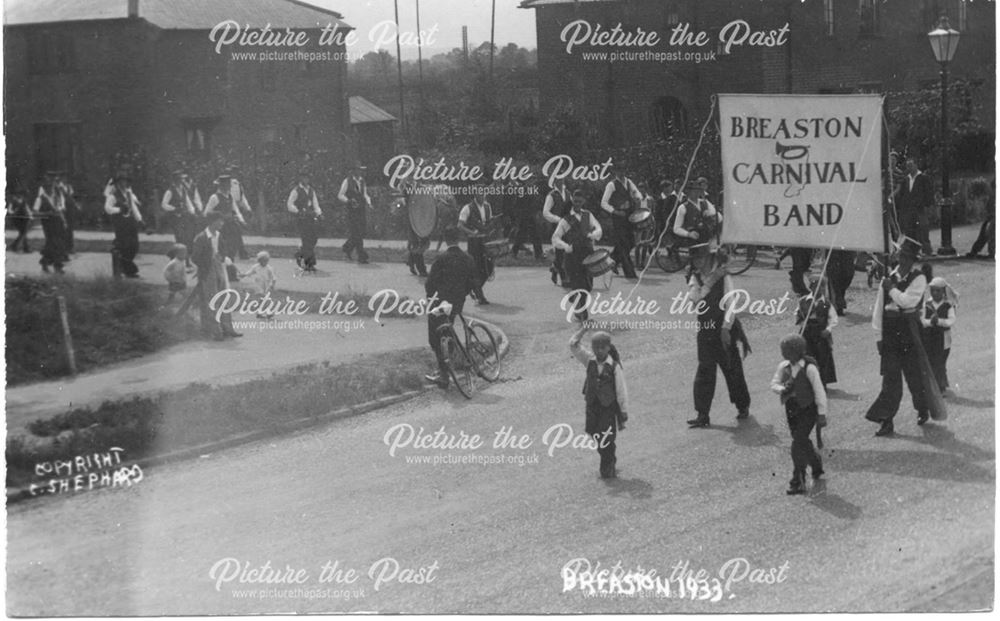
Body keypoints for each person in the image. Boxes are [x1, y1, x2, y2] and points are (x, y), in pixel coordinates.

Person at [865, 236, 930, 436]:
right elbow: (878, 311)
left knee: (914, 375)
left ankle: (922, 408)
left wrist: (890, 289)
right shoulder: (889, 278)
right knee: (890, 379)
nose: (903, 260)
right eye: (902, 255)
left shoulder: (918, 278)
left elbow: (908, 302)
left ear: (914, 260)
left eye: (908, 257)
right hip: (891, 333)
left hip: (910, 332)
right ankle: (886, 420)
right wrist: (879, 337)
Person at [685, 244, 751, 427]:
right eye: (695, 259)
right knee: (705, 369)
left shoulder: (723, 275)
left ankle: (742, 405)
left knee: (731, 368)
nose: (697, 262)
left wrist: (725, 328)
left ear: (709, 258)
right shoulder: (695, 276)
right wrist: (698, 288)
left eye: (700, 258)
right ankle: (702, 414)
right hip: (705, 328)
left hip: (723, 327)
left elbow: (731, 303)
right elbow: (695, 302)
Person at [769, 334, 827, 495]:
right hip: (791, 408)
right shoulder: (784, 367)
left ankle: (797, 479)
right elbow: (774, 383)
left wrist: (822, 413)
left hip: (808, 409)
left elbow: (819, 391)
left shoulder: (809, 368)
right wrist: (782, 389)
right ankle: (816, 464)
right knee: (800, 440)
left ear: (798, 351)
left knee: (797, 442)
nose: (786, 355)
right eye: (784, 351)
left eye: (788, 351)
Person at [424, 227, 480, 389]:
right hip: (458, 303)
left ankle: (444, 374)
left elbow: (430, 283)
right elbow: (473, 281)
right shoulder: (467, 258)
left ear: (446, 240)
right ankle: (450, 359)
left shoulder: (442, 259)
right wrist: (466, 292)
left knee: (435, 335)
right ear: (458, 239)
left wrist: (431, 297)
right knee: (447, 330)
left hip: (442, 303)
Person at [570, 325, 629, 479]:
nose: (599, 351)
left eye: (603, 347)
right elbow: (573, 344)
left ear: (609, 348)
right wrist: (583, 329)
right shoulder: (589, 360)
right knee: (594, 434)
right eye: (596, 347)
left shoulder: (614, 367)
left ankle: (607, 466)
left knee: (607, 438)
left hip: (608, 408)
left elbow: (621, 390)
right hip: (592, 406)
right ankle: (610, 457)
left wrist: (623, 410)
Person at [552, 189, 603, 322]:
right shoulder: (566, 220)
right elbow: (555, 238)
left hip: (588, 255)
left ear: (584, 201)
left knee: (588, 286)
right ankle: (583, 314)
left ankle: (575, 301)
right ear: (572, 201)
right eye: (575, 201)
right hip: (572, 257)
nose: (577, 204)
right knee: (578, 284)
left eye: (580, 201)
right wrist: (565, 246)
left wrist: (594, 234)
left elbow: (599, 228)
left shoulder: (588, 215)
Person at [192, 211, 241, 340]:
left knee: (225, 296)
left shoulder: (219, 235)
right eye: (219, 221)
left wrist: (222, 256)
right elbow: (195, 257)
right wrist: (209, 260)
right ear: (212, 222)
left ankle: (228, 328)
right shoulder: (201, 237)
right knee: (212, 299)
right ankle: (215, 330)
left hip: (219, 267)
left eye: (222, 221)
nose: (222, 223)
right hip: (208, 270)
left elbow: (223, 250)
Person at [795, 274, 838, 386]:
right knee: (808, 355)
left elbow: (833, 318)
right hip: (807, 331)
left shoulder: (826, 303)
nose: (821, 289)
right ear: (811, 287)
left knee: (822, 357)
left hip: (821, 332)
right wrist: (802, 322)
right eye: (817, 287)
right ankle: (808, 381)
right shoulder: (803, 301)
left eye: (823, 287)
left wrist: (828, 330)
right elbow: (798, 315)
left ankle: (822, 381)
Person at [203, 174, 246, 280]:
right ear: (221, 185)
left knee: (232, 249)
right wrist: (220, 215)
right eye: (226, 185)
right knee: (222, 250)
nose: (228, 187)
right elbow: (206, 212)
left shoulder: (230, 196)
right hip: (221, 227)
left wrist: (241, 220)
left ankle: (231, 274)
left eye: (229, 185)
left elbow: (235, 209)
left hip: (231, 226)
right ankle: (222, 274)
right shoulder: (215, 197)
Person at [600, 165, 640, 279]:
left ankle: (612, 261)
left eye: (623, 170)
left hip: (629, 216)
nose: (621, 172)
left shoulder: (629, 182)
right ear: (615, 172)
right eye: (619, 170)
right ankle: (630, 273)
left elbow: (637, 194)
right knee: (623, 244)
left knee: (631, 242)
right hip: (618, 217)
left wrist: (637, 198)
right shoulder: (611, 184)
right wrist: (615, 211)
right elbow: (603, 203)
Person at [458, 184, 494, 305]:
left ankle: (474, 288)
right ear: (475, 195)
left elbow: (490, 222)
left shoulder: (488, 206)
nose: (482, 196)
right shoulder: (467, 208)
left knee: (488, 267)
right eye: (480, 194)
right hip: (474, 242)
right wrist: (471, 232)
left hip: (486, 241)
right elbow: (460, 225)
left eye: (483, 194)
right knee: (477, 268)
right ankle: (480, 295)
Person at [920, 276, 957, 394]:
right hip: (930, 338)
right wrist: (930, 322)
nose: (935, 293)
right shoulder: (927, 304)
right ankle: (934, 385)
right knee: (931, 361)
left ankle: (941, 386)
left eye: (938, 290)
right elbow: (922, 320)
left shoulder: (948, 305)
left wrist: (940, 321)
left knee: (940, 362)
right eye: (932, 290)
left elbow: (952, 320)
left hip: (943, 339)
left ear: (943, 291)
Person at [104, 173, 144, 278]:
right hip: (120, 223)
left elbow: (134, 207)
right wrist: (119, 210)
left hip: (130, 222)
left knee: (134, 245)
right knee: (125, 245)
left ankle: (124, 265)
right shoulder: (113, 196)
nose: (123, 184)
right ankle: (128, 270)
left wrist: (139, 219)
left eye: (124, 181)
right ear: (116, 184)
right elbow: (108, 209)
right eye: (120, 182)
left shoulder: (129, 194)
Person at [286, 169, 323, 273]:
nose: (305, 179)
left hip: (310, 217)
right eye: (303, 177)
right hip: (302, 218)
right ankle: (309, 263)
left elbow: (315, 203)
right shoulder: (296, 190)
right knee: (306, 239)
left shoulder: (311, 190)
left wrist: (319, 213)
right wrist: (297, 211)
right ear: (300, 178)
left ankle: (300, 254)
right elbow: (289, 204)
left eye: (307, 177)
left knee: (313, 239)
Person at [896, 158, 934, 256]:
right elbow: (903, 194)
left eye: (911, 165)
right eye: (908, 165)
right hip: (909, 208)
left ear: (916, 165)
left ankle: (927, 250)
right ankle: (913, 251)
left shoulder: (923, 178)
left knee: (923, 229)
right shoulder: (906, 179)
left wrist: (926, 204)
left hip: (919, 208)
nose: (909, 167)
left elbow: (928, 193)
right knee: (910, 230)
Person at [34, 171, 69, 274]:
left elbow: (63, 207)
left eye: (53, 182)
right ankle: (58, 266)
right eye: (49, 185)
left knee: (56, 243)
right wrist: (47, 213)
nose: (51, 186)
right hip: (48, 222)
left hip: (58, 220)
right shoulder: (41, 198)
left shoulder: (59, 194)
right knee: (54, 242)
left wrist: (60, 211)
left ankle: (45, 262)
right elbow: (35, 212)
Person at [672, 177, 722, 250]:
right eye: (693, 191)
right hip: (692, 239)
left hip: (707, 236)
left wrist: (711, 215)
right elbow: (676, 228)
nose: (696, 193)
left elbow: (719, 218)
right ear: (688, 192)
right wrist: (688, 234)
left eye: (698, 190)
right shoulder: (683, 207)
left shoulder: (705, 203)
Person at [161, 170, 200, 262]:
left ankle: (182, 259)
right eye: (178, 179)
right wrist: (173, 208)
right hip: (175, 218)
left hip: (184, 217)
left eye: (181, 179)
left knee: (186, 238)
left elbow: (188, 202)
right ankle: (180, 259)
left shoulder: (183, 189)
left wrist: (192, 212)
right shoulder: (170, 191)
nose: (180, 181)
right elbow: (164, 204)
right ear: (174, 180)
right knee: (180, 238)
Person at [338, 162, 371, 264]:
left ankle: (347, 248)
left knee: (360, 232)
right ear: (353, 171)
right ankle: (362, 256)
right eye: (357, 170)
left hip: (361, 209)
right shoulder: (347, 181)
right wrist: (348, 200)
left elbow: (365, 194)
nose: (359, 172)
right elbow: (340, 195)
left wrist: (369, 202)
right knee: (356, 232)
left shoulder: (362, 181)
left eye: (360, 170)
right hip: (352, 210)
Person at [542, 178, 572, 287]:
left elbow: (572, 208)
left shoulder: (568, 193)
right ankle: (564, 278)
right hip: (557, 226)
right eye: (558, 179)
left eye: (562, 179)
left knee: (567, 250)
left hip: (568, 226)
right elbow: (545, 212)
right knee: (559, 251)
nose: (560, 181)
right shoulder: (551, 195)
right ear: (554, 181)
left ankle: (555, 268)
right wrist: (558, 219)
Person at [510, 181, 544, 260]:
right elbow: (518, 204)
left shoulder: (533, 190)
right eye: (531, 179)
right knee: (522, 235)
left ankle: (538, 254)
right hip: (525, 216)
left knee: (535, 235)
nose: (532, 181)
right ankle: (514, 252)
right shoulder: (523, 190)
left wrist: (537, 212)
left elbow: (537, 203)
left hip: (531, 216)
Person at [241, 250, 278, 320]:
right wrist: (244, 275)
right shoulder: (256, 267)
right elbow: (250, 272)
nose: (264, 263)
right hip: (258, 285)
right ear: (259, 261)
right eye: (262, 261)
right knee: (264, 299)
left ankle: (260, 313)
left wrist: (272, 284)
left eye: (266, 261)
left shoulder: (269, 268)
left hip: (266, 285)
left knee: (263, 300)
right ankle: (268, 313)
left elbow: (273, 277)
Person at [227, 165, 253, 259]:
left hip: (237, 208)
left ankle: (241, 252)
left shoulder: (238, 184)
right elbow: (231, 199)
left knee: (237, 232)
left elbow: (242, 198)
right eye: (233, 172)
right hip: (230, 209)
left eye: (236, 172)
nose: (235, 174)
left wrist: (247, 208)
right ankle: (241, 252)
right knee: (236, 231)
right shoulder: (228, 184)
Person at [966, 178, 995, 259]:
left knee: (991, 232)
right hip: (992, 216)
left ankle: (992, 253)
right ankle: (975, 251)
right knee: (985, 232)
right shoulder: (992, 196)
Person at [825, 249, 857, 315]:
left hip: (845, 268)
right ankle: (837, 308)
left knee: (841, 289)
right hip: (834, 267)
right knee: (836, 289)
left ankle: (839, 307)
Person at [54, 171, 79, 254]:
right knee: (62, 227)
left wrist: (75, 205)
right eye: (63, 177)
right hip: (62, 207)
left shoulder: (69, 186)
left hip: (69, 208)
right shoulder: (58, 186)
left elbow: (70, 197)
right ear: (61, 178)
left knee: (70, 228)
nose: (65, 179)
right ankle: (63, 248)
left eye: (66, 177)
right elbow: (60, 197)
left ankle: (70, 247)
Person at [7, 185, 32, 253]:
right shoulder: (13, 199)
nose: (21, 195)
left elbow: (27, 209)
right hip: (17, 219)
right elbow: (10, 209)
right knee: (23, 233)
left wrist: (30, 215)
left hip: (25, 219)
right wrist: (13, 213)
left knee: (23, 233)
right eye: (20, 193)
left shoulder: (23, 200)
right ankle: (22, 247)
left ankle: (24, 248)